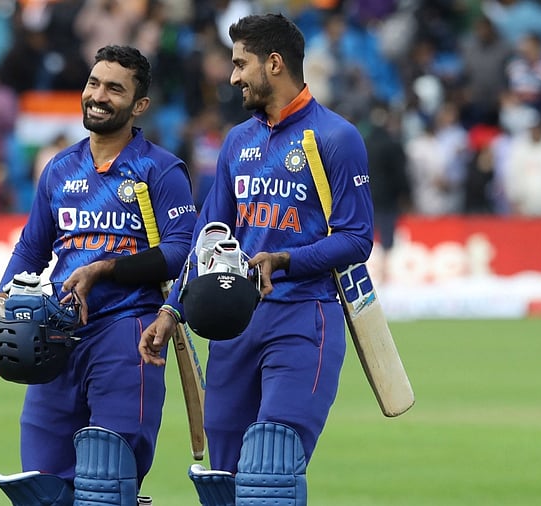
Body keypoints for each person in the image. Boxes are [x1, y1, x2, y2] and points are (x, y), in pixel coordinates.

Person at [138, 14, 374, 505]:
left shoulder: (335, 137)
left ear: (274, 62)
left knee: (271, 470)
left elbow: (356, 238)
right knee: (222, 481)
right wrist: (172, 309)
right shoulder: (237, 141)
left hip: (304, 320)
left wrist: (283, 260)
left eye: (240, 63)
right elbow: (207, 238)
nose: (233, 76)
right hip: (232, 323)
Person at [0, 45, 195, 506]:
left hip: (128, 333)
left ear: (139, 106)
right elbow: (31, 251)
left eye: (115, 88)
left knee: (106, 486)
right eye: (94, 83)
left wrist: (104, 268)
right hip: (55, 339)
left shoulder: (160, 169)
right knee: (41, 487)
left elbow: (182, 251)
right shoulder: (59, 168)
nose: (98, 95)